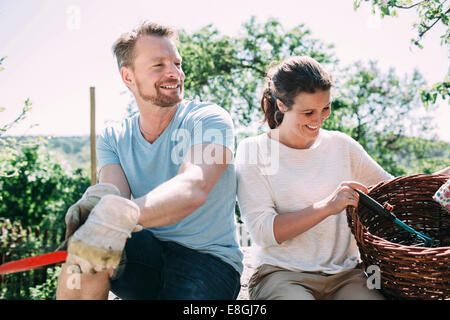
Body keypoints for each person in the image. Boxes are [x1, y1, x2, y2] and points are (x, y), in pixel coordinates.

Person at [235, 56, 449, 300]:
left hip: (346, 276)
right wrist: (328, 206)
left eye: (325, 108)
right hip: (282, 274)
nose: (319, 120)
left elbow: (396, 190)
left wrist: (444, 175)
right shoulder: (254, 151)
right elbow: (264, 231)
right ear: (282, 105)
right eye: (308, 112)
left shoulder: (341, 145)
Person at [56, 21, 243, 300]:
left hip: (208, 263)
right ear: (128, 77)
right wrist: (97, 207)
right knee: (88, 247)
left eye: (177, 63)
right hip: (147, 254)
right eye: (159, 65)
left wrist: (118, 215)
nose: (174, 73)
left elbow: (193, 187)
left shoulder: (209, 119)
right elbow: (114, 193)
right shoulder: (114, 136)